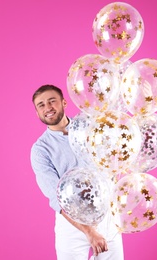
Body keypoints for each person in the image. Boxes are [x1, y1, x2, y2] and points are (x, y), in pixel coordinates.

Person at [30, 84, 124, 260]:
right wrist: (89, 231)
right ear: (37, 113)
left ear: (64, 102)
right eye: (41, 105)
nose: (48, 108)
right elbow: (55, 196)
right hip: (72, 225)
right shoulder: (40, 150)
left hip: (107, 218)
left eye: (52, 101)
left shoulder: (89, 128)